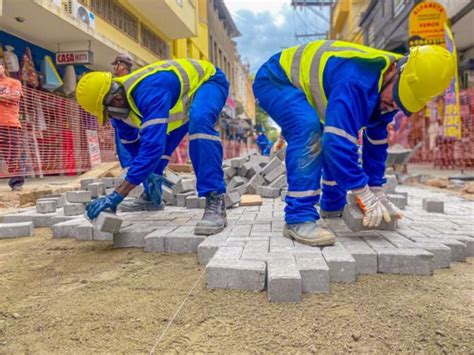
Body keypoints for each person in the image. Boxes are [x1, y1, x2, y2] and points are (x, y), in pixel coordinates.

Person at [253, 41, 454, 246]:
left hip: (302, 90)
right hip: (275, 79)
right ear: (395, 71)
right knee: (310, 130)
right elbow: (336, 144)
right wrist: (362, 191)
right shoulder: (356, 79)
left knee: (337, 134)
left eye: (400, 104)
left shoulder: (390, 90)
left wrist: (376, 188)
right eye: (394, 99)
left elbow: (376, 141)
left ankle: (332, 206)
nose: (392, 107)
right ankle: (299, 218)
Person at [76, 59, 229, 235]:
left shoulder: (149, 90)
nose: (111, 117)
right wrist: (147, 176)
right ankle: (151, 197)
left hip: (208, 81)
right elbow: (134, 148)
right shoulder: (119, 113)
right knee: (151, 159)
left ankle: (215, 199)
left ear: (116, 98)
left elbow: (152, 148)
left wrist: (117, 195)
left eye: (108, 112)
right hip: (177, 102)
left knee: (200, 121)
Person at [0, 62, 24, 191]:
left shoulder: (13, 82)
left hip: (9, 124)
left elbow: (14, 97)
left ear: (3, 67)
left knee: (12, 154)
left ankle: (16, 183)